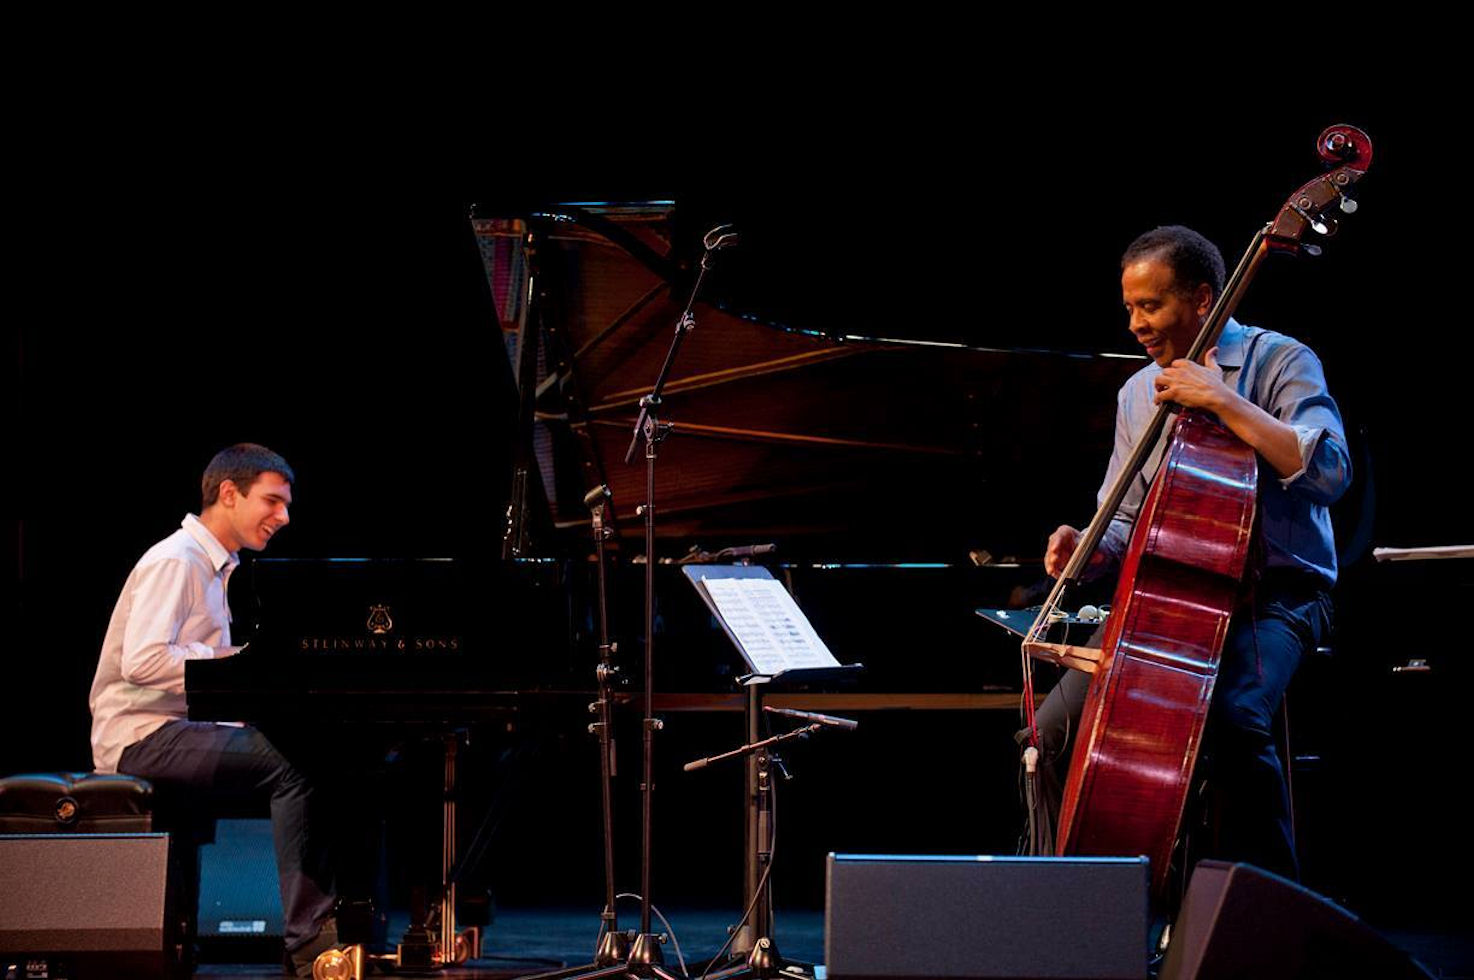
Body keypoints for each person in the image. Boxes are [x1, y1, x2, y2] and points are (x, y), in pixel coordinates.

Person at [1030, 225, 1351, 881]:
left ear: (1204, 298)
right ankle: (1076, 904)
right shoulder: (1135, 394)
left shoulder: (1281, 361)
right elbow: (1121, 522)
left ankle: (1269, 909)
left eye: (1150, 306)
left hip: (1280, 600)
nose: (1135, 324)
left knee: (1232, 715)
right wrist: (1084, 551)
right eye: (1129, 308)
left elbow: (1329, 471)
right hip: (1172, 606)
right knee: (1052, 730)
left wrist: (1226, 401)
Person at [88, 443, 340, 976]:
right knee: (294, 765)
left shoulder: (214, 568)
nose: (284, 516)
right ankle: (309, 946)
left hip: (175, 731)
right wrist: (233, 664)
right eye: (272, 501)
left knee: (316, 755)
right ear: (229, 493)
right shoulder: (176, 560)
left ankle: (333, 928)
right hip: (141, 738)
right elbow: (143, 661)